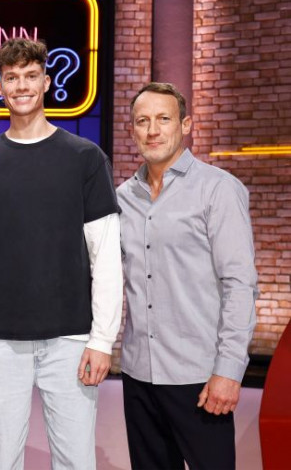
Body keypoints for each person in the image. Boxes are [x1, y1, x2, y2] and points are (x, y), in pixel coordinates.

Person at [0, 38, 123, 470]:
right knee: (1, 460)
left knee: (76, 462)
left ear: (46, 82)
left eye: (30, 76)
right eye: (11, 78)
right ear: (0, 87)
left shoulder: (85, 159)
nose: (21, 86)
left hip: (71, 340)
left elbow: (105, 257)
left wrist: (102, 340)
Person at [117, 82, 258, 470]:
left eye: (164, 119)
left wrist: (228, 371)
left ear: (186, 125)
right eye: (142, 121)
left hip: (199, 376)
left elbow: (240, 285)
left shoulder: (218, 189)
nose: (153, 130)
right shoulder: (123, 198)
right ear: (132, 130)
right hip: (139, 374)